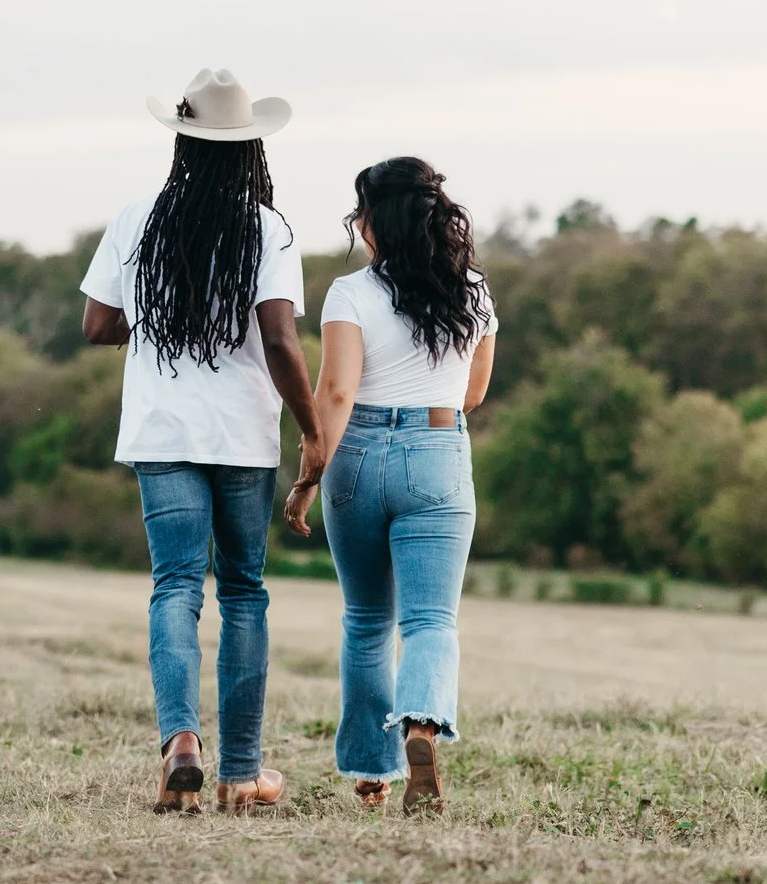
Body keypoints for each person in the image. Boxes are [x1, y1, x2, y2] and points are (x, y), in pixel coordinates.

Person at [81, 68, 323, 813]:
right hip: (242, 438)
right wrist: (313, 431)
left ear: (181, 141)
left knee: (175, 586)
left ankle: (180, 741)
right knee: (244, 591)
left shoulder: (136, 220)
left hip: (162, 432)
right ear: (249, 146)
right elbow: (280, 338)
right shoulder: (268, 226)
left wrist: (157, 303)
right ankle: (240, 773)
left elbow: (97, 325)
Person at [283, 157, 496, 815]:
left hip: (361, 455)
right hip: (438, 446)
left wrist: (308, 475)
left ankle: (371, 770)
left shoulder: (351, 293)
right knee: (432, 619)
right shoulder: (475, 291)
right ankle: (422, 729)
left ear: (373, 219)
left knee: (367, 620)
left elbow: (337, 391)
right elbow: (474, 392)